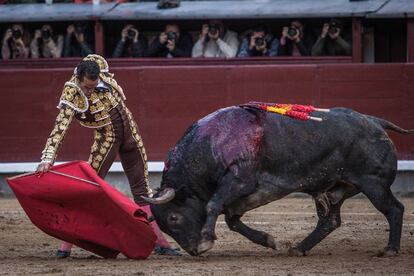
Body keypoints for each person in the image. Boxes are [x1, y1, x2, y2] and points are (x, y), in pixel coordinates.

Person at [36, 54, 180, 257]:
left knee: (142, 192)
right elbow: (60, 127)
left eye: (94, 86)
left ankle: (162, 244)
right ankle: (64, 247)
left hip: (131, 134)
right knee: (85, 190)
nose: (90, 90)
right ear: (79, 79)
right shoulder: (72, 92)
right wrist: (47, 157)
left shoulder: (99, 66)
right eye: (87, 87)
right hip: (107, 140)